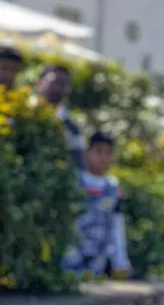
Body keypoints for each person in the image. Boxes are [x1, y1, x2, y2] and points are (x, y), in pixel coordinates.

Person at [62, 131, 133, 280]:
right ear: (87, 152)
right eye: (98, 151)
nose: (103, 157)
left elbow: (116, 227)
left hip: (96, 265)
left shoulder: (113, 187)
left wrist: (120, 263)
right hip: (69, 258)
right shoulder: (73, 181)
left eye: (108, 153)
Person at [34, 64, 84, 170]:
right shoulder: (21, 111)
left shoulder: (71, 127)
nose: (58, 88)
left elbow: (78, 162)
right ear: (39, 83)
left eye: (63, 84)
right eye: (54, 82)